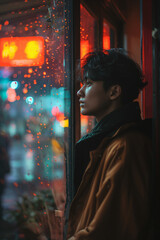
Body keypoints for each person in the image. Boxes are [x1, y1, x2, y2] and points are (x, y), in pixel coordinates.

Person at [67, 49, 153, 240]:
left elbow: (111, 228)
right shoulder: (112, 141)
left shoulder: (125, 145)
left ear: (114, 91)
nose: (80, 91)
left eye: (89, 84)